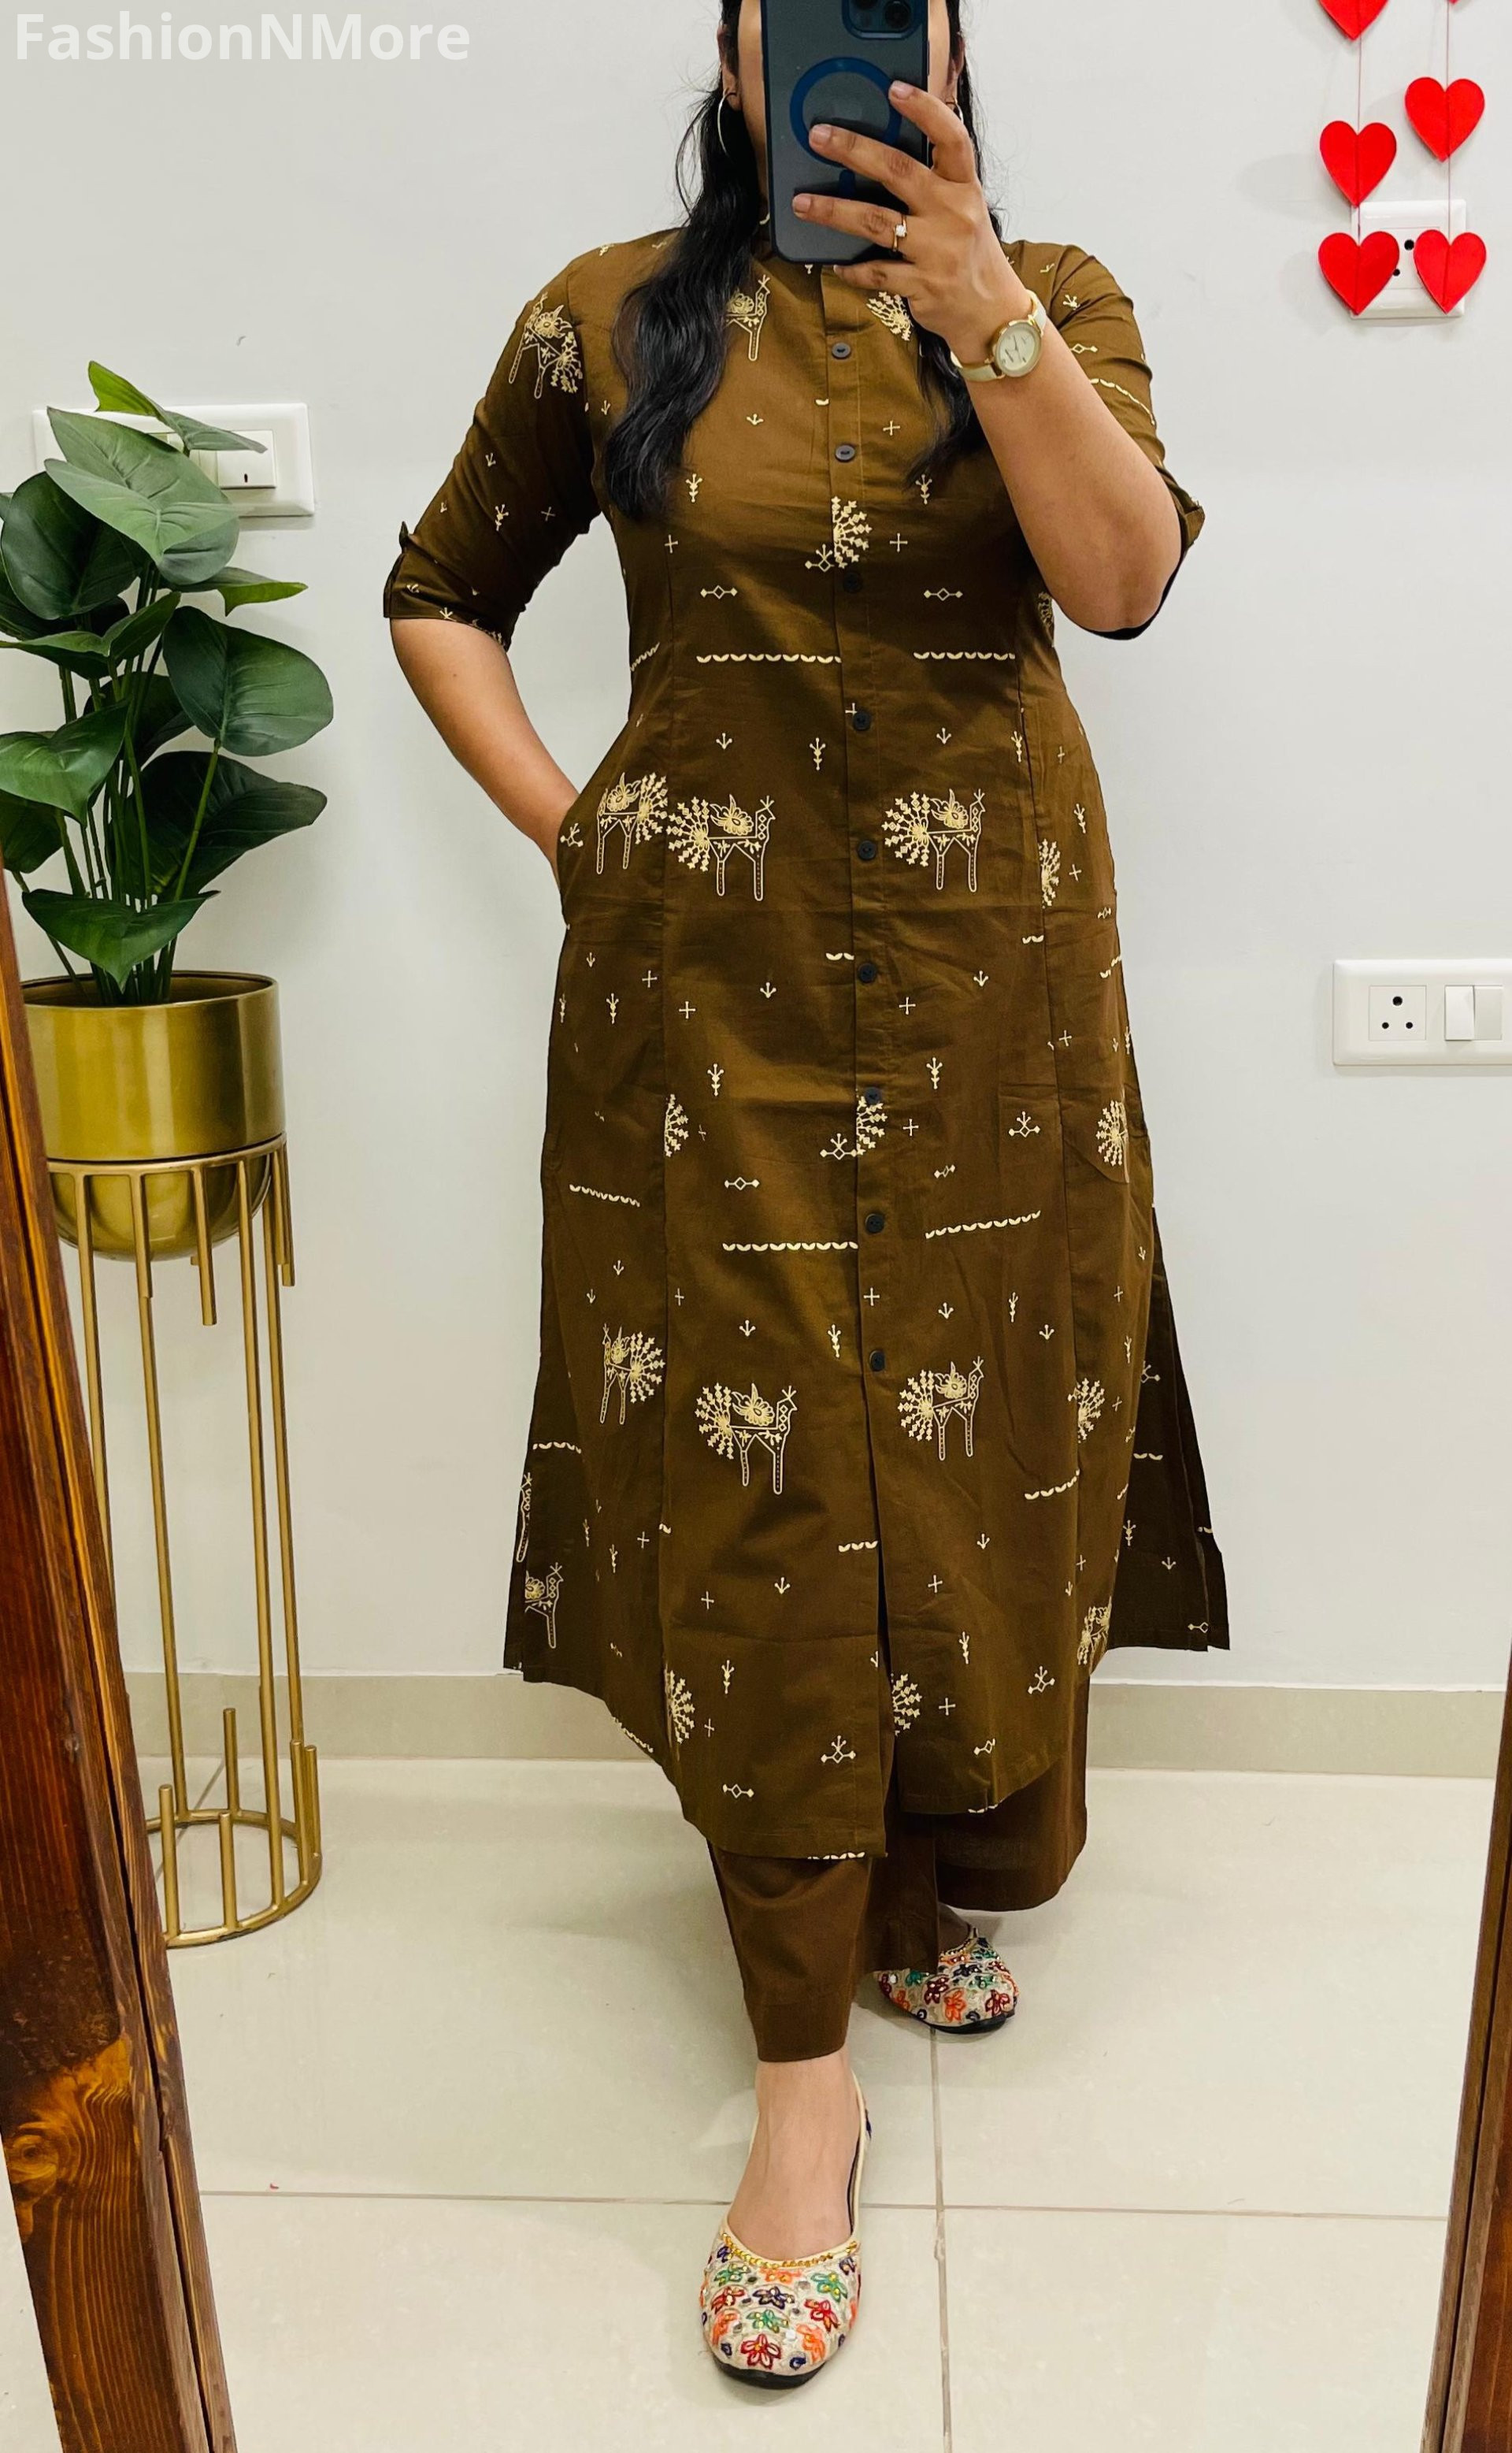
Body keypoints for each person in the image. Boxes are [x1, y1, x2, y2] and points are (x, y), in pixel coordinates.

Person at [386, 0, 1227, 2389]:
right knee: (760, 1484)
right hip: (712, 1016)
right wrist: (585, 830)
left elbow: (1127, 581)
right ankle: (797, 2097)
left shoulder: (1059, 291)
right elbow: (440, 589)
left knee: (975, 1445)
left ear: (950, 41)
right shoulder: (603, 318)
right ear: (741, 52)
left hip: (989, 999)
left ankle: (932, 1869)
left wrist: (991, 311)